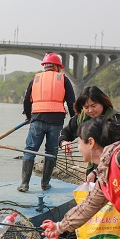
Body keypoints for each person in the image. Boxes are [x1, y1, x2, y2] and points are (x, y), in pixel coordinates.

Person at [18, 52, 75, 192]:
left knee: (30, 150)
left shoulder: (36, 78)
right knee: (51, 151)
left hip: (37, 119)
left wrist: (27, 115)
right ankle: (45, 184)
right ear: (56, 66)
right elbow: (71, 101)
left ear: (45, 66)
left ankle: (24, 184)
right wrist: (74, 120)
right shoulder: (63, 79)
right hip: (56, 121)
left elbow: (27, 99)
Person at [58, 86, 120, 182]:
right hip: (92, 165)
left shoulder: (116, 121)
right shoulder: (81, 118)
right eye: (86, 107)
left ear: (103, 103)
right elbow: (66, 132)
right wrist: (63, 142)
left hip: (111, 167)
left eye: (94, 106)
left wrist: (96, 172)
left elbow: (119, 151)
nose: (90, 110)